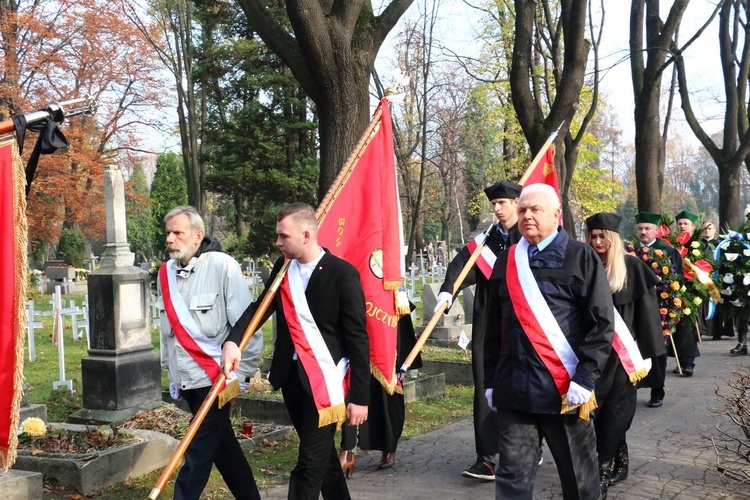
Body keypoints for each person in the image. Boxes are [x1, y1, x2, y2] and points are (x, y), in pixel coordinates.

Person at [222, 203, 370, 500]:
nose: (277, 243)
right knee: (324, 460)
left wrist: (360, 398)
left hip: (324, 383)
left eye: (283, 236)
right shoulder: (282, 268)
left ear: (305, 235)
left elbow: (358, 339)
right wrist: (233, 340)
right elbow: (260, 307)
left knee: (308, 465)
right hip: (291, 379)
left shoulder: (343, 274)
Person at [484, 184, 614, 499]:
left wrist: (585, 377)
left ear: (556, 215)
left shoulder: (579, 256)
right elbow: (492, 328)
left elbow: (601, 324)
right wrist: (491, 381)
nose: (527, 216)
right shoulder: (508, 259)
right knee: (512, 480)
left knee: (579, 480)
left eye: (535, 210)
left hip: (564, 391)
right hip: (514, 390)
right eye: (523, 209)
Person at [157, 205, 263, 500]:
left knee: (198, 450)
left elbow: (247, 324)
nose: (170, 239)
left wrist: (241, 375)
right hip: (187, 379)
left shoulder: (222, 266)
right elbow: (167, 331)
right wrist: (171, 373)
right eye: (168, 232)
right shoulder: (165, 273)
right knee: (222, 448)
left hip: (217, 379)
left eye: (177, 233)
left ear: (197, 235)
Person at [434, 179, 522, 481]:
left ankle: (526, 448)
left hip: (522, 322)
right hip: (489, 320)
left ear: (516, 204)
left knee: (522, 384)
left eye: (503, 203)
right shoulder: (487, 241)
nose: (497, 209)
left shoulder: (528, 236)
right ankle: (487, 456)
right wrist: (448, 291)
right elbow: (462, 264)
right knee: (486, 383)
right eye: (494, 204)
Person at [585, 212, 665, 497]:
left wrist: (650, 359)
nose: (597, 242)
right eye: (592, 236)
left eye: (602, 236)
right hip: (591, 354)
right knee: (597, 411)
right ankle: (621, 459)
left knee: (616, 412)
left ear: (613, 238)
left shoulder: (631, 267)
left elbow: (648, 316)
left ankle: (602, 473)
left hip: (622, 356)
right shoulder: (584, 265)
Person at [338, 303, 423, 474]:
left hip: (387, 311)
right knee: (350, 387)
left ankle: (388, 447)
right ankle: (347, 450)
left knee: (387, 391)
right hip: (358, 307)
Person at [634, 211, 681, 408]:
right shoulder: (631, 251)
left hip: (658, 307)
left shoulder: (668, 252)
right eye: (640, 229)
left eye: (647, 228)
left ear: (657, 230)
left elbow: (677, 280)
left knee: (656, 348)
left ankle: (657, 390)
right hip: (634, 306)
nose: (643, 232)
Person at [670, 210, 701, 377]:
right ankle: (681, 361)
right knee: (676, 327)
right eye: (680, 224)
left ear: (693, 227)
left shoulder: (699, 245)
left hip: (691, 292)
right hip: (675, 289)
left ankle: (688, 362)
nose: (682, 226)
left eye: (685, 224)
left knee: (687, 327)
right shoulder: (672, 244)